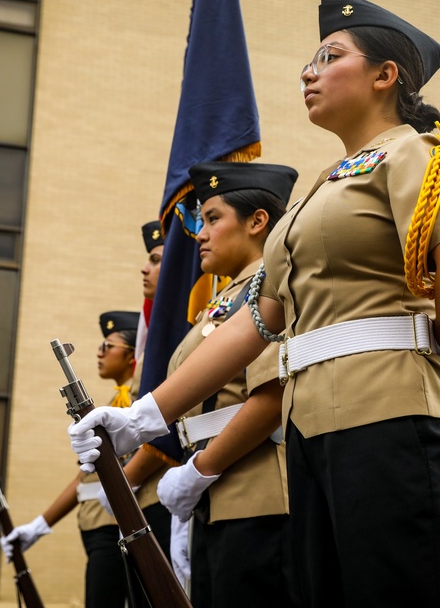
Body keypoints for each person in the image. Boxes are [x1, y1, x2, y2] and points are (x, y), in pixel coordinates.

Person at [69, 0, 440, 608]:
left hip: (396, 418)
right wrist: (143, 417)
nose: (309, 71)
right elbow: (258, 321)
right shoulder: (319, 190)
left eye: (330, 56)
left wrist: (437, 347)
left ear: (386, 76)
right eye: (310, 60)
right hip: (313, 434)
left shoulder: (416, 152)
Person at [2, 223, 172, 608]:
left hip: (131, 520)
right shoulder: (118, 399)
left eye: (107, 345)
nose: (99, 352)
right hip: (99, 524)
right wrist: (40, 525)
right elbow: (85, 477)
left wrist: (122, 484)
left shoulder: (140, 389)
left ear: (132, 354)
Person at [156, 160, 300, 607]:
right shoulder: (223, 300)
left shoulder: (271, 289)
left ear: (258, 221)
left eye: (213, 218)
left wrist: (198, 472)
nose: (199, 232)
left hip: (254, 499)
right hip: (215, 497)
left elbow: (274, 396)